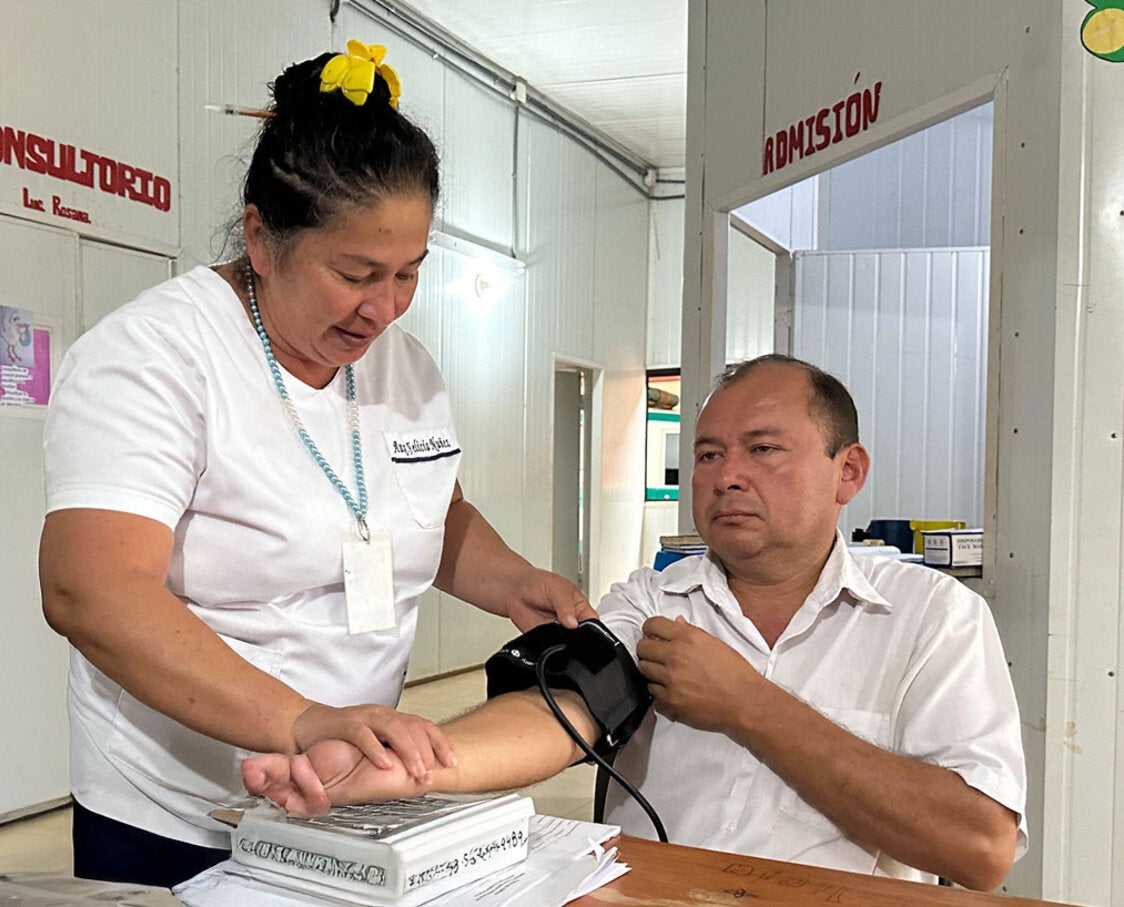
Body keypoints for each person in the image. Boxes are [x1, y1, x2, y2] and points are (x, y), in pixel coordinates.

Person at [36, 40, 594, 889]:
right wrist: (295, 718)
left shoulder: (404, 367)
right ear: (262, 236)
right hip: (178, 812)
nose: (384, 307)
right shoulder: (155, 357)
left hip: (339, 797)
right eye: (356, 272)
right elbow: (91, 590)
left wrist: (513, 581)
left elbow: (427, 508)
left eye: (409, 273)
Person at [244, 354, 1028, 891]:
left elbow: (981, 848)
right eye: (710, 454)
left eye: (763, 449)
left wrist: (749, 706)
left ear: (847, 472)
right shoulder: (654, 603)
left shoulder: (934, 619)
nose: (728, 477)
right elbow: (560, 711)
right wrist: (401, 767)